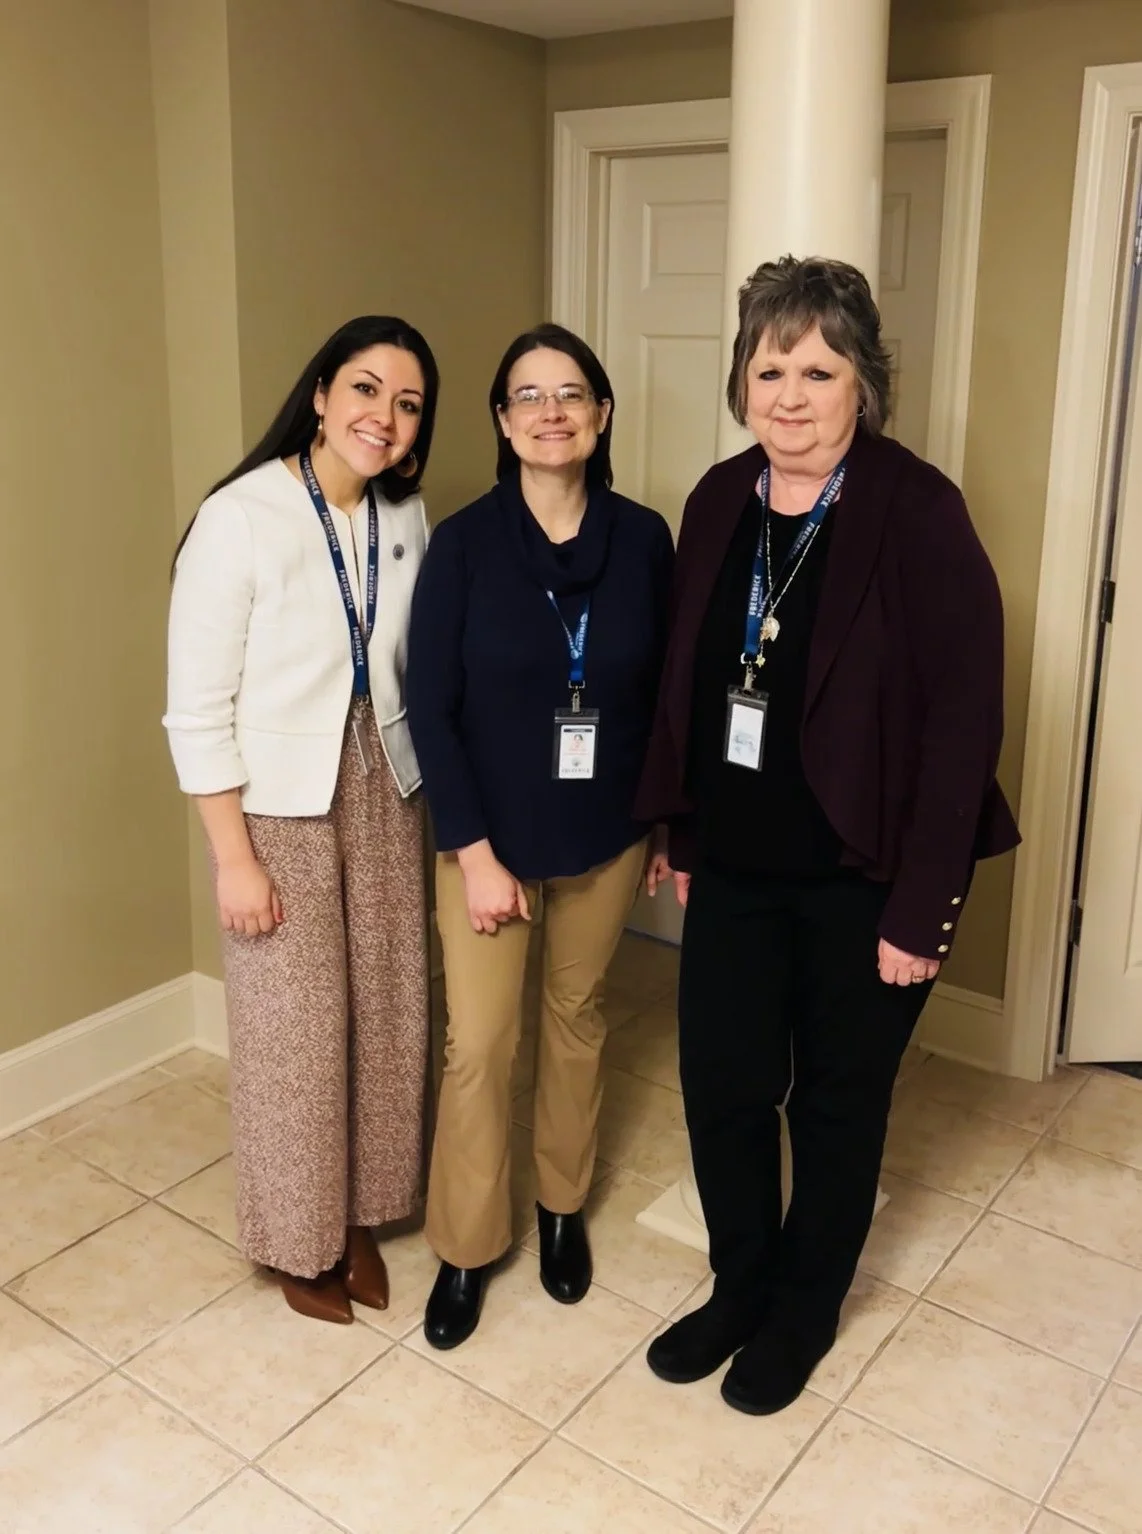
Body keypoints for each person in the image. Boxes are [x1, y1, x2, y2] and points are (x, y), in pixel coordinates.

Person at [637, 257, 1019, 1414]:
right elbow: (685, 685)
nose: (789, 396)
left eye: (817, 370)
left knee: (835, 1109)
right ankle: (740, 1284)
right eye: (769, 370)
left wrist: (922, 910)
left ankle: (802, 1312)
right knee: (723, 1088)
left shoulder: (917, 508)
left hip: (863, 879)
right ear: (740, 383)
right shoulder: (718, 498)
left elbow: (962, 722)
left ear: (863, 382)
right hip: (734, 867)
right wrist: (681, 831)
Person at [164, 315, 439, 1325]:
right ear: (320, 396)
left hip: (386, 783)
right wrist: (233, 860)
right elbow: (195, 708)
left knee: (388, 1012)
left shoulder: (405, 517)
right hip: (276, 804)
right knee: (295, 1032)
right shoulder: (237, 517)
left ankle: (358, 1210)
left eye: (407, 404)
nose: (383, 417)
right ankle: (297, 1236)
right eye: (365, 389)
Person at [407, 323, 674, 1349]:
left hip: (606, 833)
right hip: (490, 844)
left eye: (570, 393)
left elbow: (665, 697)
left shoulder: (643, 539)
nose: (549, 411)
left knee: (576, 1016)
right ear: (502, 420)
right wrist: (473, 852)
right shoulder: (464, 544)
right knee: (479, 1044)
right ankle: (467, 1245)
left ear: (600, 414)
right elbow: (431, 709)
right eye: (527, 395)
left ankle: (561, 1207)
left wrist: (662, 820)